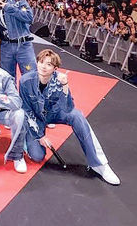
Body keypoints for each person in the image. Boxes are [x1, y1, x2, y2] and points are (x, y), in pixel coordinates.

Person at [20, 49, 120, 185]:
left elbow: (68, 108)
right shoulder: (25, 81)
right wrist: (39, 136)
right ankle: (26, 141)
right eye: (41, 62)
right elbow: (26, 110)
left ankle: (100, 164)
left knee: (77, 115)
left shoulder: (59, 80)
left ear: (55, 68)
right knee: (37, 156)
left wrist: (65, 86)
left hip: (54, 113)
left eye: (49, 64)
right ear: (37, 63)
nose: (43, 66)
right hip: (36, 118)